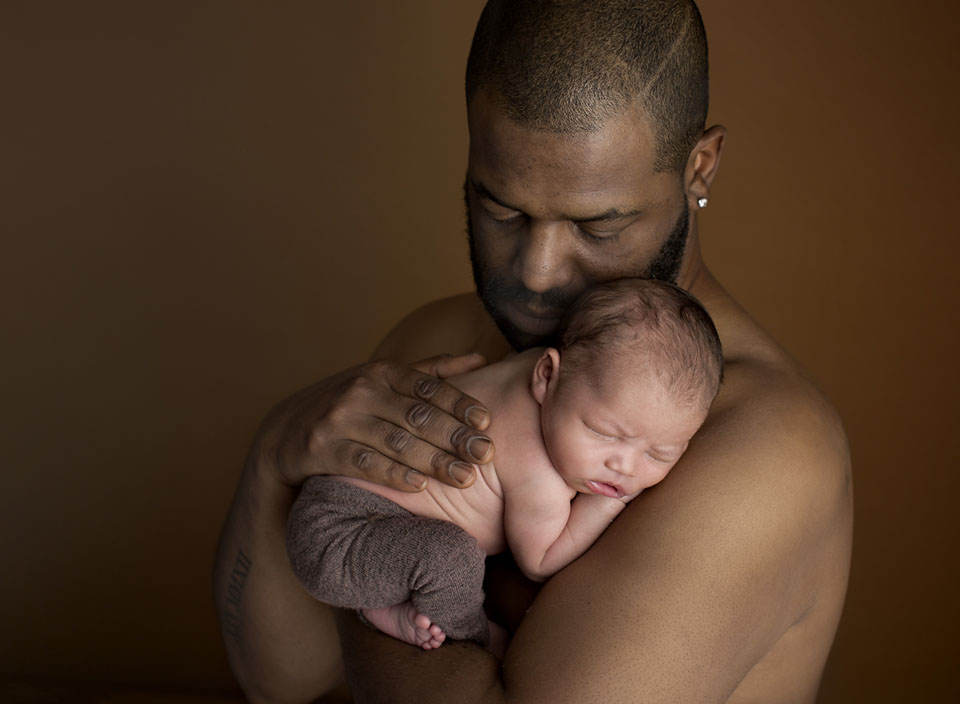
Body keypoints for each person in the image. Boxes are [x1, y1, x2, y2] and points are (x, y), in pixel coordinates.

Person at [213, 1, 853, 702]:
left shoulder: (764, 448)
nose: (539, 272)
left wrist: (396, 555)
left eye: (597, 224)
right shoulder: (438, 343)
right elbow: (279, 681)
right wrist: (278, 452)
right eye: (502, 209)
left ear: (698, 168)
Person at [285, 278, 724, 652]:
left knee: (429, 554)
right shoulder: (538, 472)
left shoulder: (523, 367)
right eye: (605, 433)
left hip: (352, 530)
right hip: (338, 534)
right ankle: (471, 633)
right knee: (453, 559)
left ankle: (383, 609)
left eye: (659, 454)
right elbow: (541, 559)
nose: (623, 466)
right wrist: (608, 505)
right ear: (547, 375)